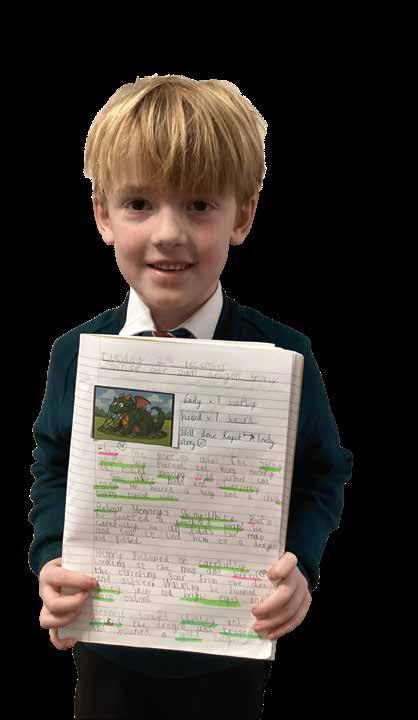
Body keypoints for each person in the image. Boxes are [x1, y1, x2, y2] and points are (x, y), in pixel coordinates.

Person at [28, 73, 353, 719]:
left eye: (200, 204)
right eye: (139, 203)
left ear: (243, 216)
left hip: (231, 649)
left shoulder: (284, 356)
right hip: (108, 645)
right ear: (102, 215)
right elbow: (54, 467)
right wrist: (51, 557)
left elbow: (323, 472)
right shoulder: (74, 354)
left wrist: (301, 565)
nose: (169, 233)